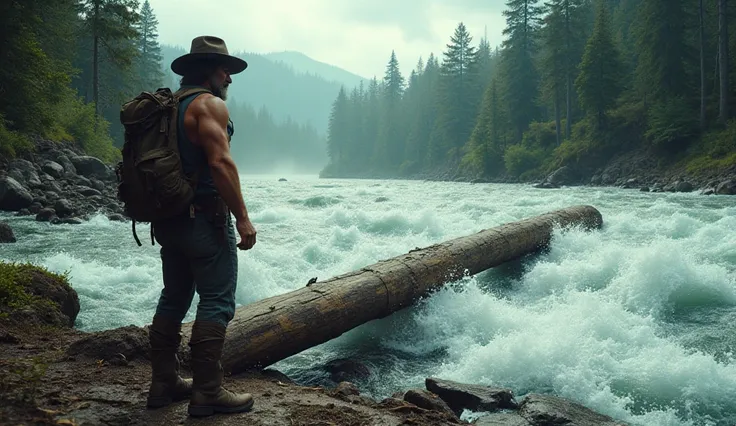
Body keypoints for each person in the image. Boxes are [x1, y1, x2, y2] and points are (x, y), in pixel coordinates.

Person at [145, 35, 258, 417]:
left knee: (173, 297)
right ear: (210, 71)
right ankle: (208, 390)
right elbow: (220, 164)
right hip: (205, 220)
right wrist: (242, 217)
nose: (230, 78)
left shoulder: (168, 107)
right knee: (217, 300)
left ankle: (163, 383)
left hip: (168, 218)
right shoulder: (208, 105)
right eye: (226, 70)